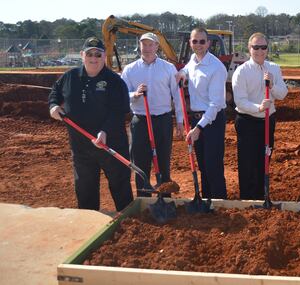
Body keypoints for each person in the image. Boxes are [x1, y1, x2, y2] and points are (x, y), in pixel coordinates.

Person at [48, 37, 133, 211]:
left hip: (111, 145)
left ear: (104, 56)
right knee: (85, 190)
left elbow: (118, 112)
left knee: (120, 186)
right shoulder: (69, 77)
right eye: (89, 54)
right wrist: (54, 106)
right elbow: (55, 93)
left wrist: (105, 131)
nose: (93, 58)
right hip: (81, 147)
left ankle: (129, 221)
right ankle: (89, 225)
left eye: (98, 54)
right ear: (82, 55)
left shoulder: (115, 82)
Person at [120, 32, 184, 196]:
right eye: (144, 44)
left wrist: (180, 120)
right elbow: (121, 95)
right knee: (140, 162)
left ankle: (165, 197)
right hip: (140, 121)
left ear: (157, 46)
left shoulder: (168, 68)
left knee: (163, 160)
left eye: (151, 44)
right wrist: (135, 94)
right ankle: (144, 198)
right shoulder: (130, 69)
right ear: (139, 45)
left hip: (163, 120)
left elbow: (176, 95)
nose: (147, 48)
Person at [232, 32, 288, 200]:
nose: (259, 51)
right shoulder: (241, 72)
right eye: (256, 47)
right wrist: (258, 107)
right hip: (247, 122)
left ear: (267, 49)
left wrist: (271, 86)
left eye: (263, 47)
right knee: (247, 163)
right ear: (249, 49)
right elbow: (240, 101)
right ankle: (248, 199)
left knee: (264, 159)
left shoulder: (274, 68)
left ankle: (261, 196)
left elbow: (283, 94)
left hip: (268, 122)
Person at [177, 27, 228, 199]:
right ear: (190, 43)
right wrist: (182, 73)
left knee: (213, 165)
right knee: (203, 166)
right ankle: (207, 200)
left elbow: (215, 104)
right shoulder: (193, 60)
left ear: (208, 43)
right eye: (194, 41)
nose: (198, 45)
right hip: (197, 119)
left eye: (202, 41)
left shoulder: (216, 67)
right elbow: (186, 68)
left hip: (212, 121)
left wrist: (198, 128)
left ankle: (220, 203)